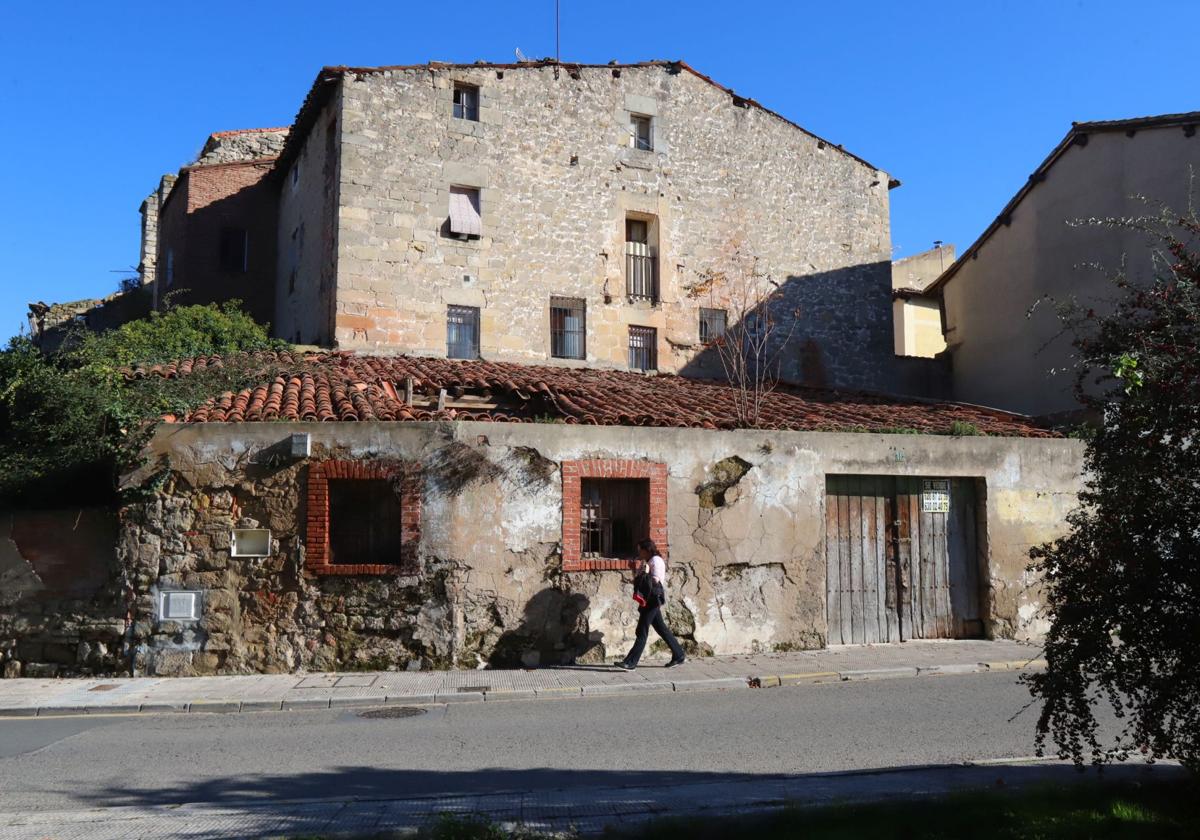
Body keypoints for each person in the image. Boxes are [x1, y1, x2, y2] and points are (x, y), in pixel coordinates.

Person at [616, 538, 686, 670]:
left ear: (647, 550)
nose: (639, 553)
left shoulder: (656, 561)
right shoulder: (649, 561)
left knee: (641, 631)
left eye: (640, 550)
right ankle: (679, 655)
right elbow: (643, 581)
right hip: (650, 599)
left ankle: (630, 662)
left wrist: (645, 572)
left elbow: (655, 580)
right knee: (661, 629)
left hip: (653, 600)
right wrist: (637, 571)